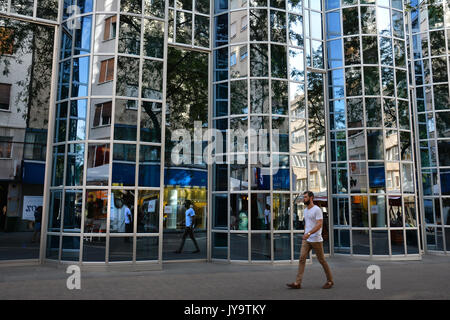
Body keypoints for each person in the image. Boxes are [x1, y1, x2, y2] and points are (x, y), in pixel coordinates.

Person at [287, 191, 334, 289]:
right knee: (302, 258)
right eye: (304, 197)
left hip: (316, 239)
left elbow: (319, 224)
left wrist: (309, 233)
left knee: (322, 260)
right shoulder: (305, 210)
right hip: (307, 240)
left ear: (311, 198)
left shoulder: (317, 210)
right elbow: (306, 223)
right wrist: (305, 233)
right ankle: (297, 283)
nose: (304, 199)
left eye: (305, 197)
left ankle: (330, 281)